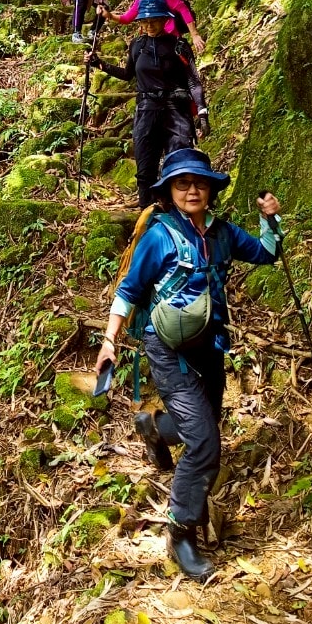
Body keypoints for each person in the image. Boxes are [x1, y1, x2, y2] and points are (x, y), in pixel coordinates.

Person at [94, 148, 281, 579]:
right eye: (182, 183)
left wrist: (270, 220)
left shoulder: (223, 233)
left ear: (210, 189)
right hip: (167, 349)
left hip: (210, 346)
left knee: (204, 424)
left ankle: (155, 428)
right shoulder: (160, 236)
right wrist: (109, 341)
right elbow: (129, 290)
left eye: (199, 183)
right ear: (171, 192)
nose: (192, 190)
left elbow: (267, 254)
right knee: (204, 443)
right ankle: (181, 535)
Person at [86, 0, 209, 207]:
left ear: (165, 19)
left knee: (179, 167)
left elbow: (193, 81)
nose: (149, 25)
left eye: (154, 20)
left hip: (176, 111)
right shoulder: (137, 45)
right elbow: (127, 74)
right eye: (145, 20)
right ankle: (147, 220)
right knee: (145, 171)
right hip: (146, 110)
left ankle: (179, 220)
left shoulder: (179, 45)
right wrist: (99, 64)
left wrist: (202, 111)